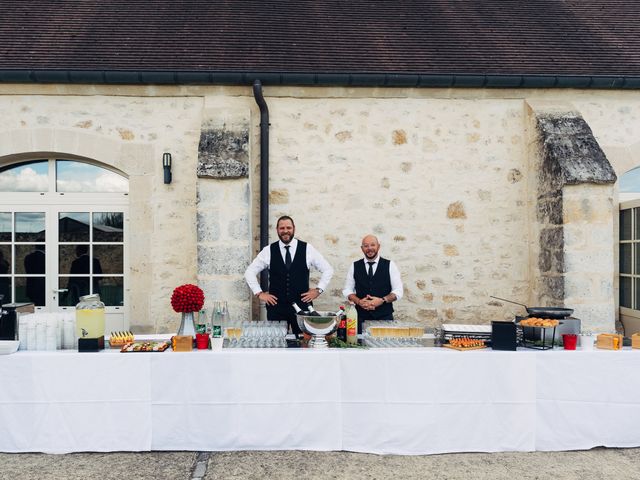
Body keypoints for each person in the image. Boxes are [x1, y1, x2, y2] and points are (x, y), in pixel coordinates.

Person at [244, 215, 333, 335]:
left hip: (302, 308)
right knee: (277, 344)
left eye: (288, 227)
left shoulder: (307, 249)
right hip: (276, 308)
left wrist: (318, 290)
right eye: (282, 228)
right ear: (277, 230)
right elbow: (249, 272)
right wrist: (259, 293)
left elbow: (328, 269)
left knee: (304, 344)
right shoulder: (269, 250)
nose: (285, 231)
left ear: (294, 229)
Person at [342, 234, 403, 332]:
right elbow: (347, 290)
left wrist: (382, 300)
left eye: (372, 245)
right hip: (360, 318)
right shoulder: (354, 266)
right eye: (366, 246)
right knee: (358, 345)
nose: (369, 248)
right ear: (362, 249)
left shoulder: (390, 265)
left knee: (385, 346)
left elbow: (398, 291)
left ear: (378, 246)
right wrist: (359, 301)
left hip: (384, 318)